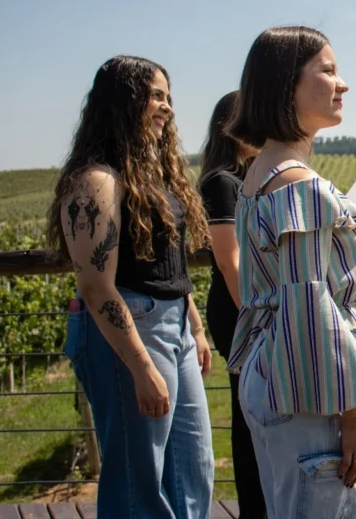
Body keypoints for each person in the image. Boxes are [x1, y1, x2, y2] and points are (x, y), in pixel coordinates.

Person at [49, 55, 215, 519]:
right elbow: (95, 285)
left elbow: (168, 261)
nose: (167, 107)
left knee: (193, 468)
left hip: (173, 327)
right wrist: (142, 366)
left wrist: (195, 328)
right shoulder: (96, 180)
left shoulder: (154, 174)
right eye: (156, 96)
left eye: (168, 97)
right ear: (124, 101)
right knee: (136, 480)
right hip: (128, 332)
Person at [226, 26, 356, 518]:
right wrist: (353, 408)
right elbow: (308, 306)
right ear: (286, 84)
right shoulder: (299, 186)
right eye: (328, 70)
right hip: (308, 392)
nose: (342, 83)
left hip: (273, 378)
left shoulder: (261, 172)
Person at [197, 91, 265, 519]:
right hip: (239, 310)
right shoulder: (221, 181)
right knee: (248, 416)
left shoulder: (246, 177)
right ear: (230, 127)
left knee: (255, 411)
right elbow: (229, 260)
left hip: (248, 308)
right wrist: (257, 321)